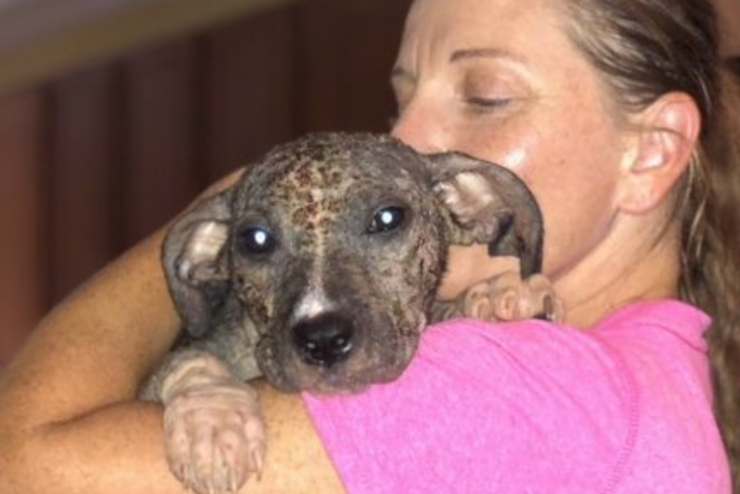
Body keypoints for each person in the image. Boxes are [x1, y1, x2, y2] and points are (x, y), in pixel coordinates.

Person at [1, 0, 739, 492]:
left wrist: (241, 197)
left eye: (485, 97)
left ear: (650, 151)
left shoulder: (523, 381)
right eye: (399, 101)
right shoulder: (651, 378)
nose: (402, 143)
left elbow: (24, 464)